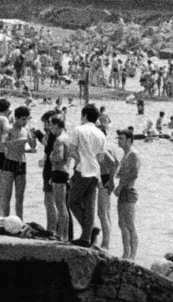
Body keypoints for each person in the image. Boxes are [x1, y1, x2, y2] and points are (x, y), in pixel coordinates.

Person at [67, 104, 106, 247]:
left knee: (72, 201)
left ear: (84, 116)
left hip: (83, 169)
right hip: (95, 171)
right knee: (90, 205)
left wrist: (80, 160)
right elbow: (101, 157)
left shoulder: (78, 129)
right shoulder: (101, 134)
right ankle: (86, 237)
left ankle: (89, 231)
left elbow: (71, 150)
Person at [0, 105, 36, 219]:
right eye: (23, 119)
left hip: (21, 162)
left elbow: (33, 147)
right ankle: (5, 219)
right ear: (17, 118)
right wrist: (17, 141)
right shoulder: (9, 129)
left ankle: (20, 220)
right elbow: (3, 144)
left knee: (20, 196)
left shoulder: (25, 130)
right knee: (7, 195)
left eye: (27, 119)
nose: (25, 122)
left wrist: (31, 136)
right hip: (9, 162)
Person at [115, 129, 139, 260]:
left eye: (121, 139)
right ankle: (125, 253)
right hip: (123, 191)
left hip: (128, 191)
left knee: (129, 224)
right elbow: (121, 174)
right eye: (118, 138)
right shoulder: (125, 155)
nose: (119, 141)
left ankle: (132, 255)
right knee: (122, 224)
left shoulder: (133, 154)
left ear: (129, 140)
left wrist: (120, 186)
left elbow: (134, 174)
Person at [46, 115, 71, 240]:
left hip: (59, 171)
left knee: (60, 206)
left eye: (51, 125)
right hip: (64, 171)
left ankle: (60, 235)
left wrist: (51, 156)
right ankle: (64, 235)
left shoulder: (59, 139)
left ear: (56, 125)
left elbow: (59, 157)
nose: (50, 128)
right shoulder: (67, 137)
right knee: (62, 205)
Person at [96, 128, 118, 250]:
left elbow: (113, 162)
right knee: (106, 212)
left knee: (102, 213)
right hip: (106, 178)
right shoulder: (110, 147)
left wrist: (111, 180)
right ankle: (107, 242)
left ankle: (105, 243)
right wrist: (113, 177)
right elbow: (117, 163)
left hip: (104, 179)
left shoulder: (103, 148)